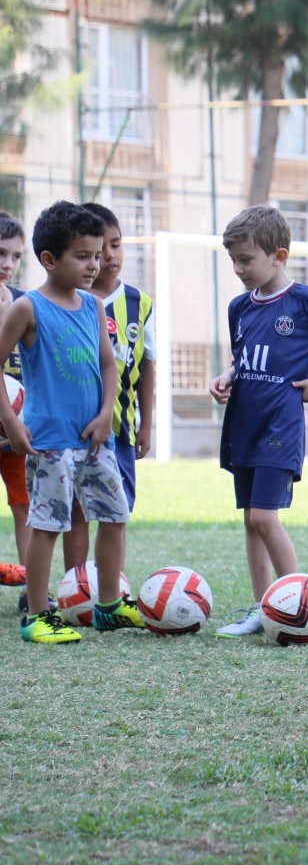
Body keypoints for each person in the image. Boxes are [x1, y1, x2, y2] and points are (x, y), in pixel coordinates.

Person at [208, 205, 308, 638]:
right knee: (250, 518)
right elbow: (243, 359)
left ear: (278, 256)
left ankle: (299, 606)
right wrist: (226, 377)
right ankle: (264, 610)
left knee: (264, 518)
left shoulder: (306, 301)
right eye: (234, 260)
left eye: (247, 259)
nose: (239, 268)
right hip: (244, 423)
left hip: (280, 427)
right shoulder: (239, 307)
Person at [0, 201, 143, 643]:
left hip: (95, 440)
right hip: (48, 441)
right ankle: (38, 616)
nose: (95, 264)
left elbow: (109, 367)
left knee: (115, 516)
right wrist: (10, 423)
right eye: (83, 256)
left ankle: (108, 606)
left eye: (98, 255)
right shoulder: (27, 309)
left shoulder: (93, 307)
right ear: (49, 260)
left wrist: (106, 415)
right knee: (47, 526)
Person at [63, 203, 154, 571]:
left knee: (116, 511)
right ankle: (76, 585)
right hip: (71, 428)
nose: (109, 257)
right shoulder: (66, 301)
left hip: (120, 430)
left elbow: (147, 364)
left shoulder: (139, 303)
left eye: (116, 245)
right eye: (99, 252)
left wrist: (147, 423)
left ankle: (110, 587)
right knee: (76, 510)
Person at [0, 213, 30, 592]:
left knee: (25, 507)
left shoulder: (25, 304)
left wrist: (22, 423)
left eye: (16, 256)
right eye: (1, 253)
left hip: (19, 433)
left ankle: (31, 586)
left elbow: (36, 371)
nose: (8, 264)